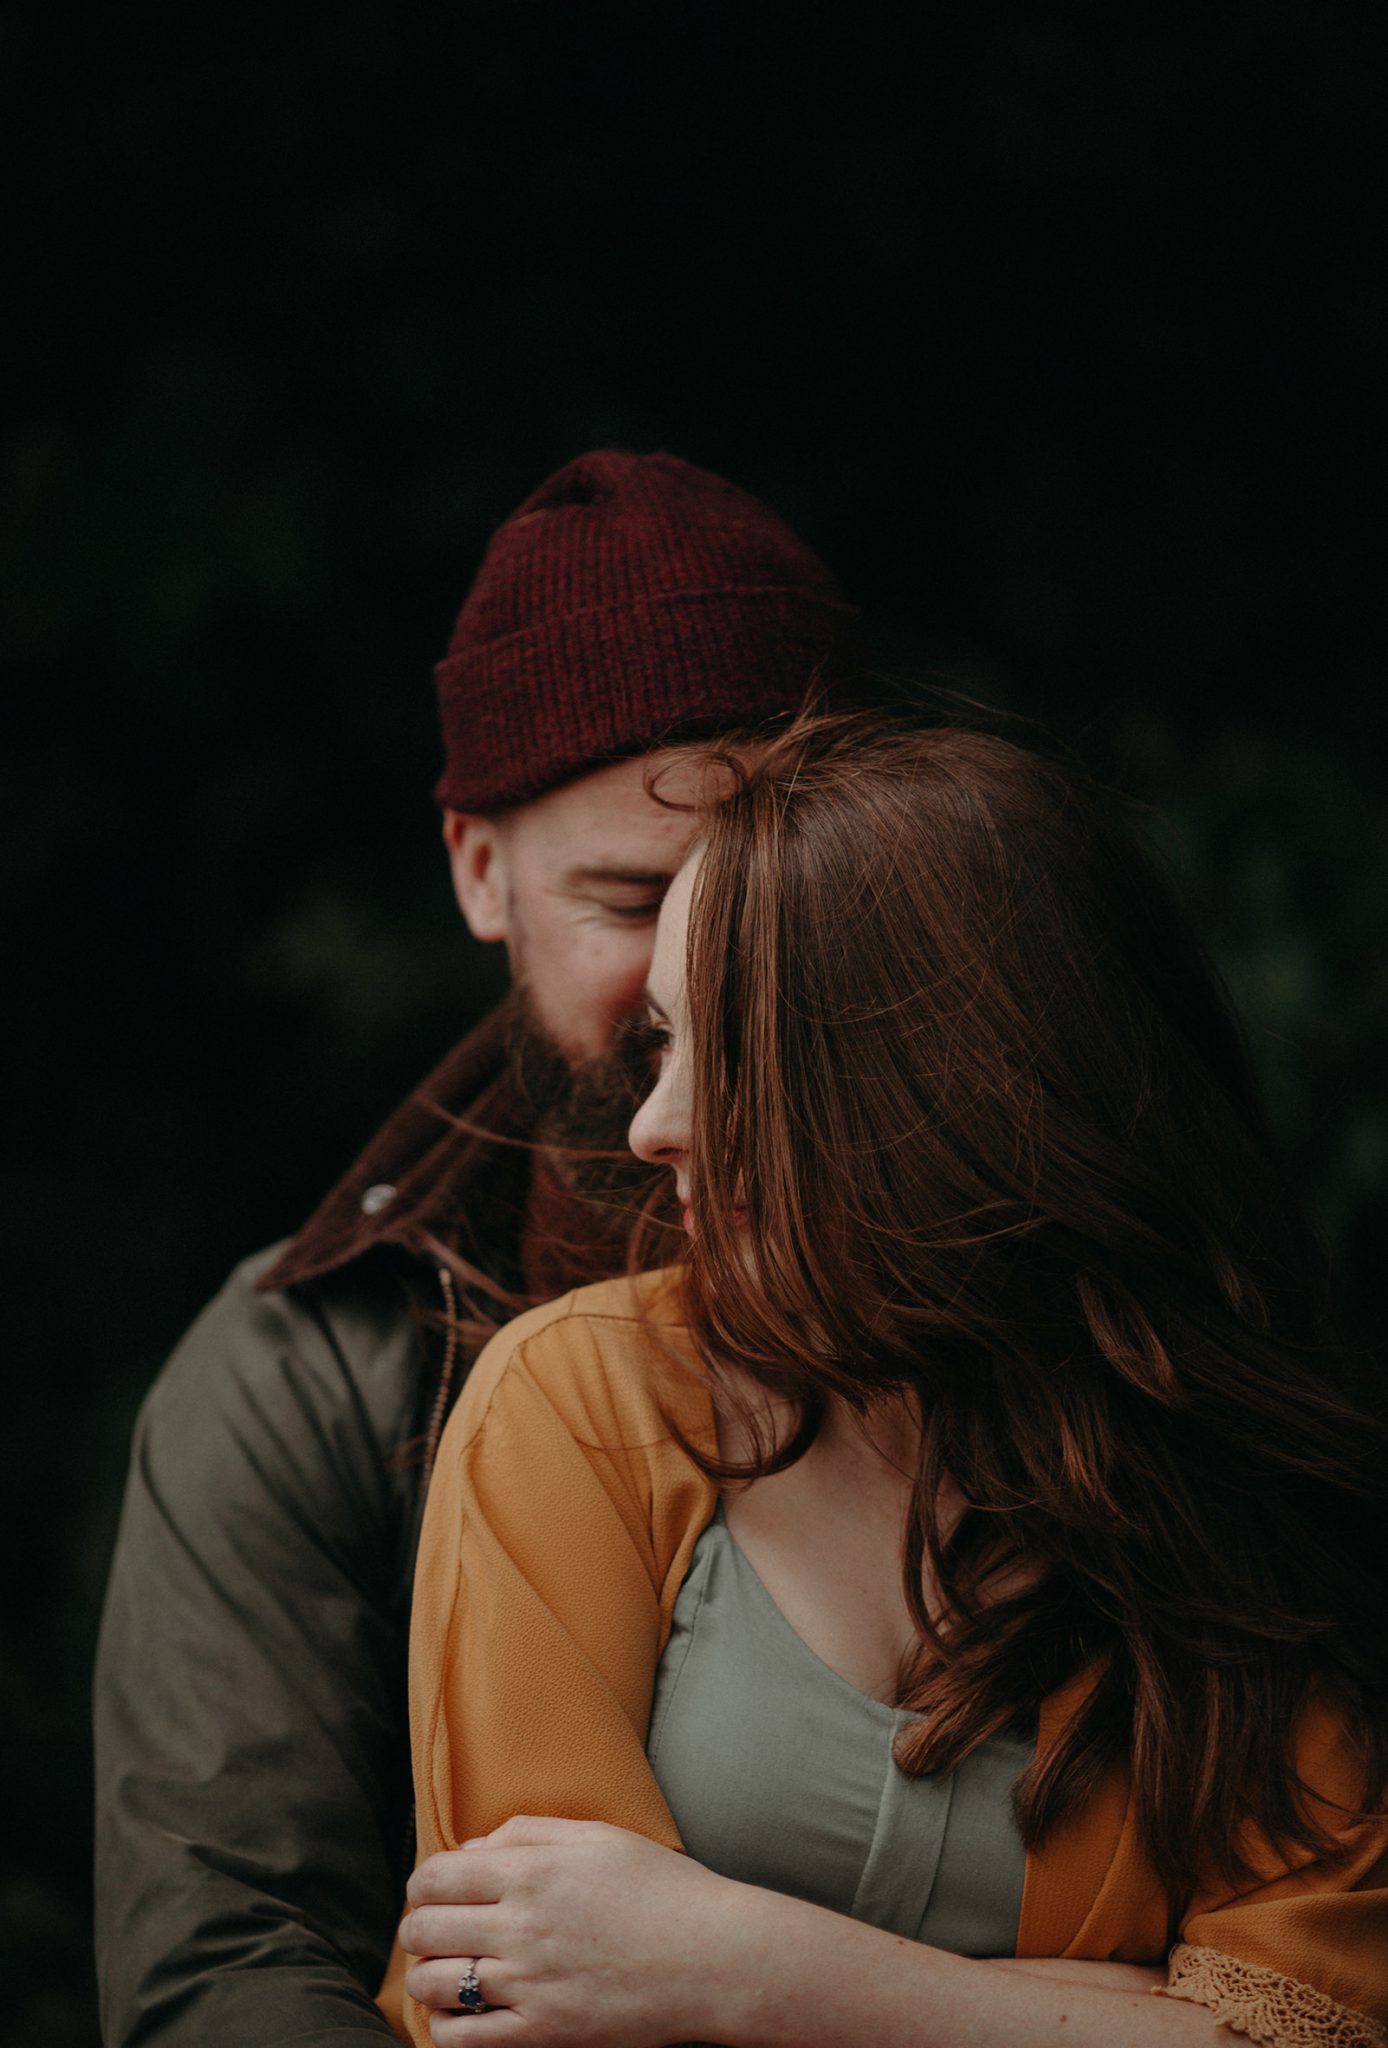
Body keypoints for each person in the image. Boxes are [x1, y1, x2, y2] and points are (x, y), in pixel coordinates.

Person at [397, 713, 1388, 2048]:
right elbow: (523, 2002)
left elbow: (1313, 2034)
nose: (652, 1125)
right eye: (659, 1044)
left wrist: (733, 1962)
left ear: (935, 1093)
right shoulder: (577, 1410)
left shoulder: (1235, 1515)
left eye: (733, 1058)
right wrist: (1112, 2018)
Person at [92, 451, 860, 2046]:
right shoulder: (307, 1373)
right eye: (635, 900)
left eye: (769, 898)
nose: (698, 985)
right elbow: (229, 1967)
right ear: (476, 872)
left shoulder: (1048, 1297)